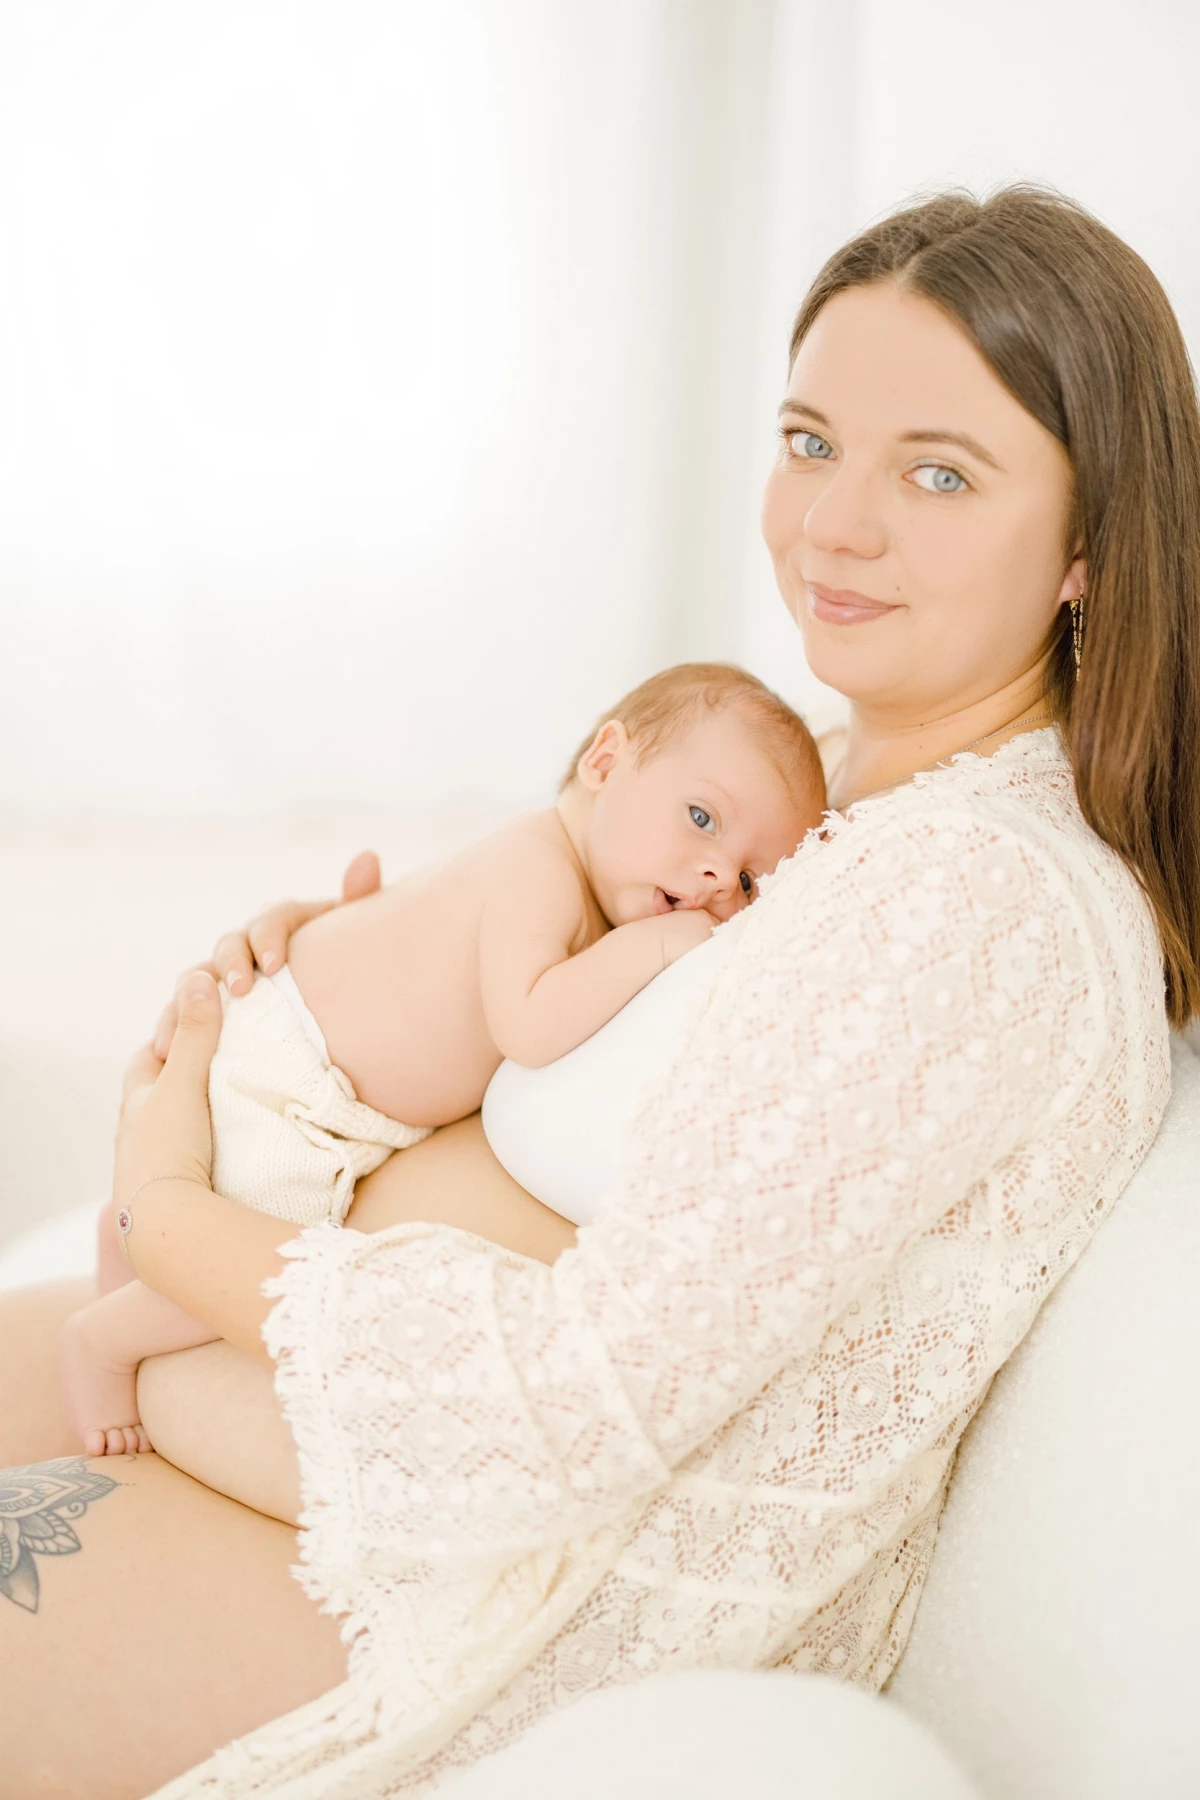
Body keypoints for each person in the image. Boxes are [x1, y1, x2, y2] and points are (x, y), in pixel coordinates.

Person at [1, 184, 1197, 1800]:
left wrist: (159, 1203)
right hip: (326, 1417)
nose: (833, 524)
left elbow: (586, 1405)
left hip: (490, 1581)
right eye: (807, 439)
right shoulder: (831, 777)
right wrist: (331, 970)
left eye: (937, 473)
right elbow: (555, 938)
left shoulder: (977, 903)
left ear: (1086, 550)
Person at [58, 663, 825, 1459]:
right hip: (297, 1083)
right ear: (604, 763)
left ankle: (118, 1274)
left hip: (302, 1058)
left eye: (746, 879)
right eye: (702, 817)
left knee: (181, 1230)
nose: (714, 877)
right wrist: (655, 944)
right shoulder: (540, 872)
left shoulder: (558, 867)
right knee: (261, 1244)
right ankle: (105, 1339)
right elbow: (530, 1025)